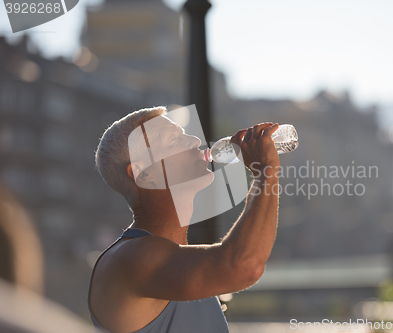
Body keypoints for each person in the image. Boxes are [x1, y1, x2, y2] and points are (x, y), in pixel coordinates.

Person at [89, 106, 280, 333]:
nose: (193, 140)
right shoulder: (131, 258)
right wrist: (266, 171)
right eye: (173, 139)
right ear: (145, 174)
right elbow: (244, 265)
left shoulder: (177, 262)